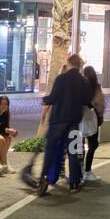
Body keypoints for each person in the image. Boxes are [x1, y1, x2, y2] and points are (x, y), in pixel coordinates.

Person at [31, 54, 93, 195]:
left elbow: (53, 98)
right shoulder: (84, 81)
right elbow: (87, 100)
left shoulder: (61, 79)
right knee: (73, 151)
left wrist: (44, 99)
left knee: (50, 150)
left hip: (58, 121)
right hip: (74, 122)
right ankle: (74, 183)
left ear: (69, 63)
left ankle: (44, 178)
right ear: (79, 65)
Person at [81, 65, 105, 182]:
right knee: (93, 144)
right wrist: (100, 115)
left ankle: (79, 170)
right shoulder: (96, 87)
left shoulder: (79, 85)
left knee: (79, 145)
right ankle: (87, 171)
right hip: (92, 116)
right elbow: (100, 103)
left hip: (80, 116)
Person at [0, 96, 18, 171]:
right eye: (2, 104)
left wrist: (11, 132)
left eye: (6, 104)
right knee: (2, 139)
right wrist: (7, 130)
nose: (4, 106)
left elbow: (6, 127)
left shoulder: (7, 113)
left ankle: (3, 162)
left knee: (8, 138)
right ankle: (5, 163)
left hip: (1, 132)